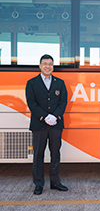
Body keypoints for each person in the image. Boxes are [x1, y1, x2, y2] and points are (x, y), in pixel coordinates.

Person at [25, 54, 68, 195]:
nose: (48, 66)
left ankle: (55, 182)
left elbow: (63, 102)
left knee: (55, 153)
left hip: (56, 124)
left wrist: (55, 116)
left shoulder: (60, 83)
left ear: (53, 66)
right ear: (40, 66)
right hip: (39, 125)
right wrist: (45, 117)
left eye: (50, 64)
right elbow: (31, 103)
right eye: (45, 63)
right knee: (38, 154)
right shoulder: (31, 83)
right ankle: (38, 184)